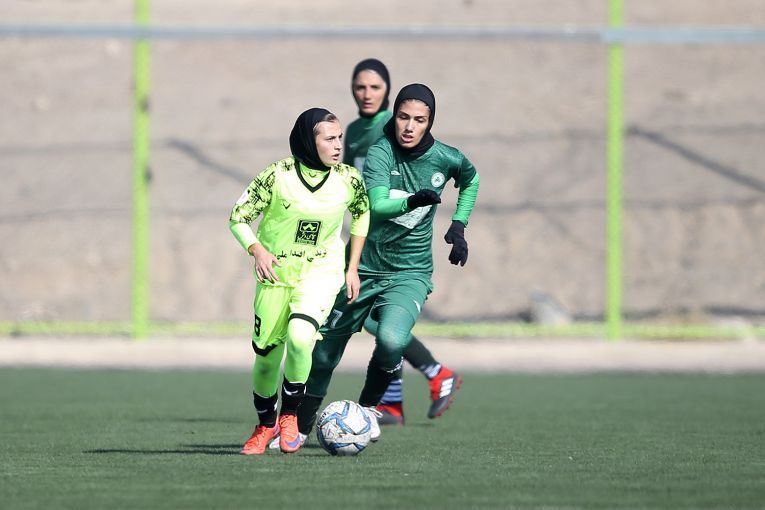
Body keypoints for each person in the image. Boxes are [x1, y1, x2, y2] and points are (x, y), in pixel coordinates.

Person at [295, 83, 480, 443]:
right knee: (324, 355)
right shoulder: (380, 152)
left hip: (410, 272)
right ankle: (299, 428)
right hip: (362, 267)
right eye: (403, 117)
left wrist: (459, 225)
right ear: (394, 116)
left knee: (392, 339)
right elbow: (377, 205)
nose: (409, 126)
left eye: (419, 120)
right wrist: (412, 201)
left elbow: (471, 179)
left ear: (430, 122)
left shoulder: (446, 157)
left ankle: (366, 410)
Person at [229, 108, 369, 455]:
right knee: (266, 359)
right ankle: (265, 425)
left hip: (321, 272)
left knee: (301, 336)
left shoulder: (348, 179)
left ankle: (290, 415)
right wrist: (257, 250)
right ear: (309, 141)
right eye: (329, 139)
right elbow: (238, 217)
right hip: (276, 276)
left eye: (340, 138)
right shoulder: (277, 175)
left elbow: (362, 213)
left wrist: (352, 267)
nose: (338, 145)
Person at [345, 58, 463, 425]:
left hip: (394, 245)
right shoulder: (353, 130)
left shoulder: (393, 130)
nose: (367, 94)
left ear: (388, 93)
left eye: (375, 87)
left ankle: (431, 374)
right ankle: (397, 399)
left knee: (377, 321)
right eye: (360, 87)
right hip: (367, 235)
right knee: (374, 321)